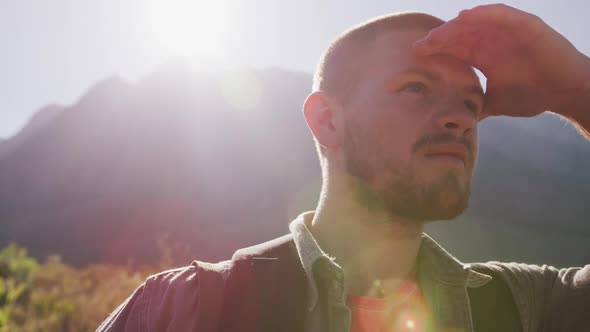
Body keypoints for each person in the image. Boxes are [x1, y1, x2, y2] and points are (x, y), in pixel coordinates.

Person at [97, 4, 590, 332]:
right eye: (416, 87)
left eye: (468, 101)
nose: (461, 118)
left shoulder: (521, 306)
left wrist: (576, 89)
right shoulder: (187, 310)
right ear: (327, 121)